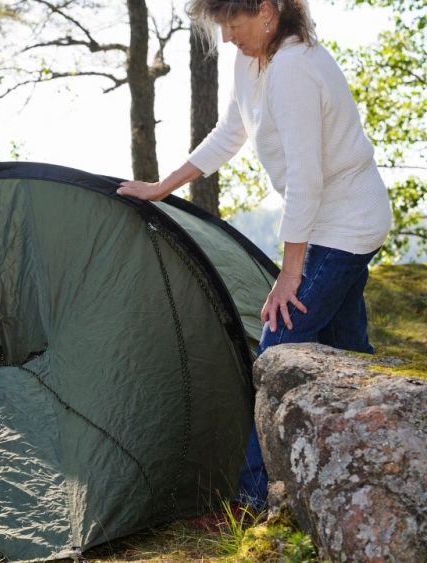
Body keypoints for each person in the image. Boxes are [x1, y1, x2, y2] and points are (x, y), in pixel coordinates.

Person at [116, 0, 391, 509]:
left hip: (345, 223)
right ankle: (378, 462)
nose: (226, 38)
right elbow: (230, 133)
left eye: (232, 24)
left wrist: (290, 274)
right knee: (346, 350)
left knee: (279, 343)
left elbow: (307, 181)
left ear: (266, 11)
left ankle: (252, 499)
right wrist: (163, 186)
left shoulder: (294, 69)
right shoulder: (252, 61)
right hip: (330, 220)